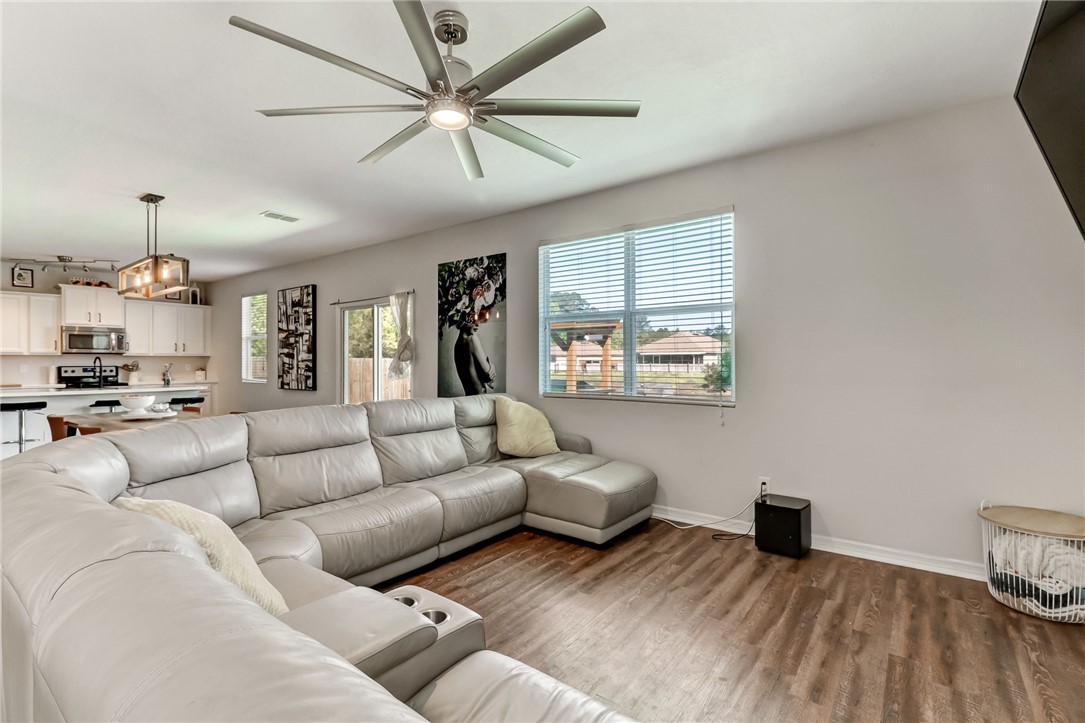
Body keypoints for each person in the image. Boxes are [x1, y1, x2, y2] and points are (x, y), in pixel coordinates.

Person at [454, 309, 496, 395]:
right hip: (479, 399)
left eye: (479, 318)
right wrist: (492, 366)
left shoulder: (457, 344)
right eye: (473, 318)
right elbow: (489, 378)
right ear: (463, 317)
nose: (478, 324)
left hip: (469, 397)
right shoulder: (472, 340)